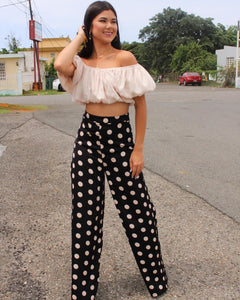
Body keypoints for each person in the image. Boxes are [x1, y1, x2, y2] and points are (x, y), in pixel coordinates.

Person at [54, 1, 168, 299]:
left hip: (120, 138)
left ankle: (156, 280)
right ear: (90, 26)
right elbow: (59, 65)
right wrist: (79, 37)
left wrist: (138, 149)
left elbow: (141, 104)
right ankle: (84, 291)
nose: (109, 26)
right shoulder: (81, 62)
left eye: (113, 21)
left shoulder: (124, 58)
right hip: (88, 137)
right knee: (85, 216)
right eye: (102, 20)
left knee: (139, 210)